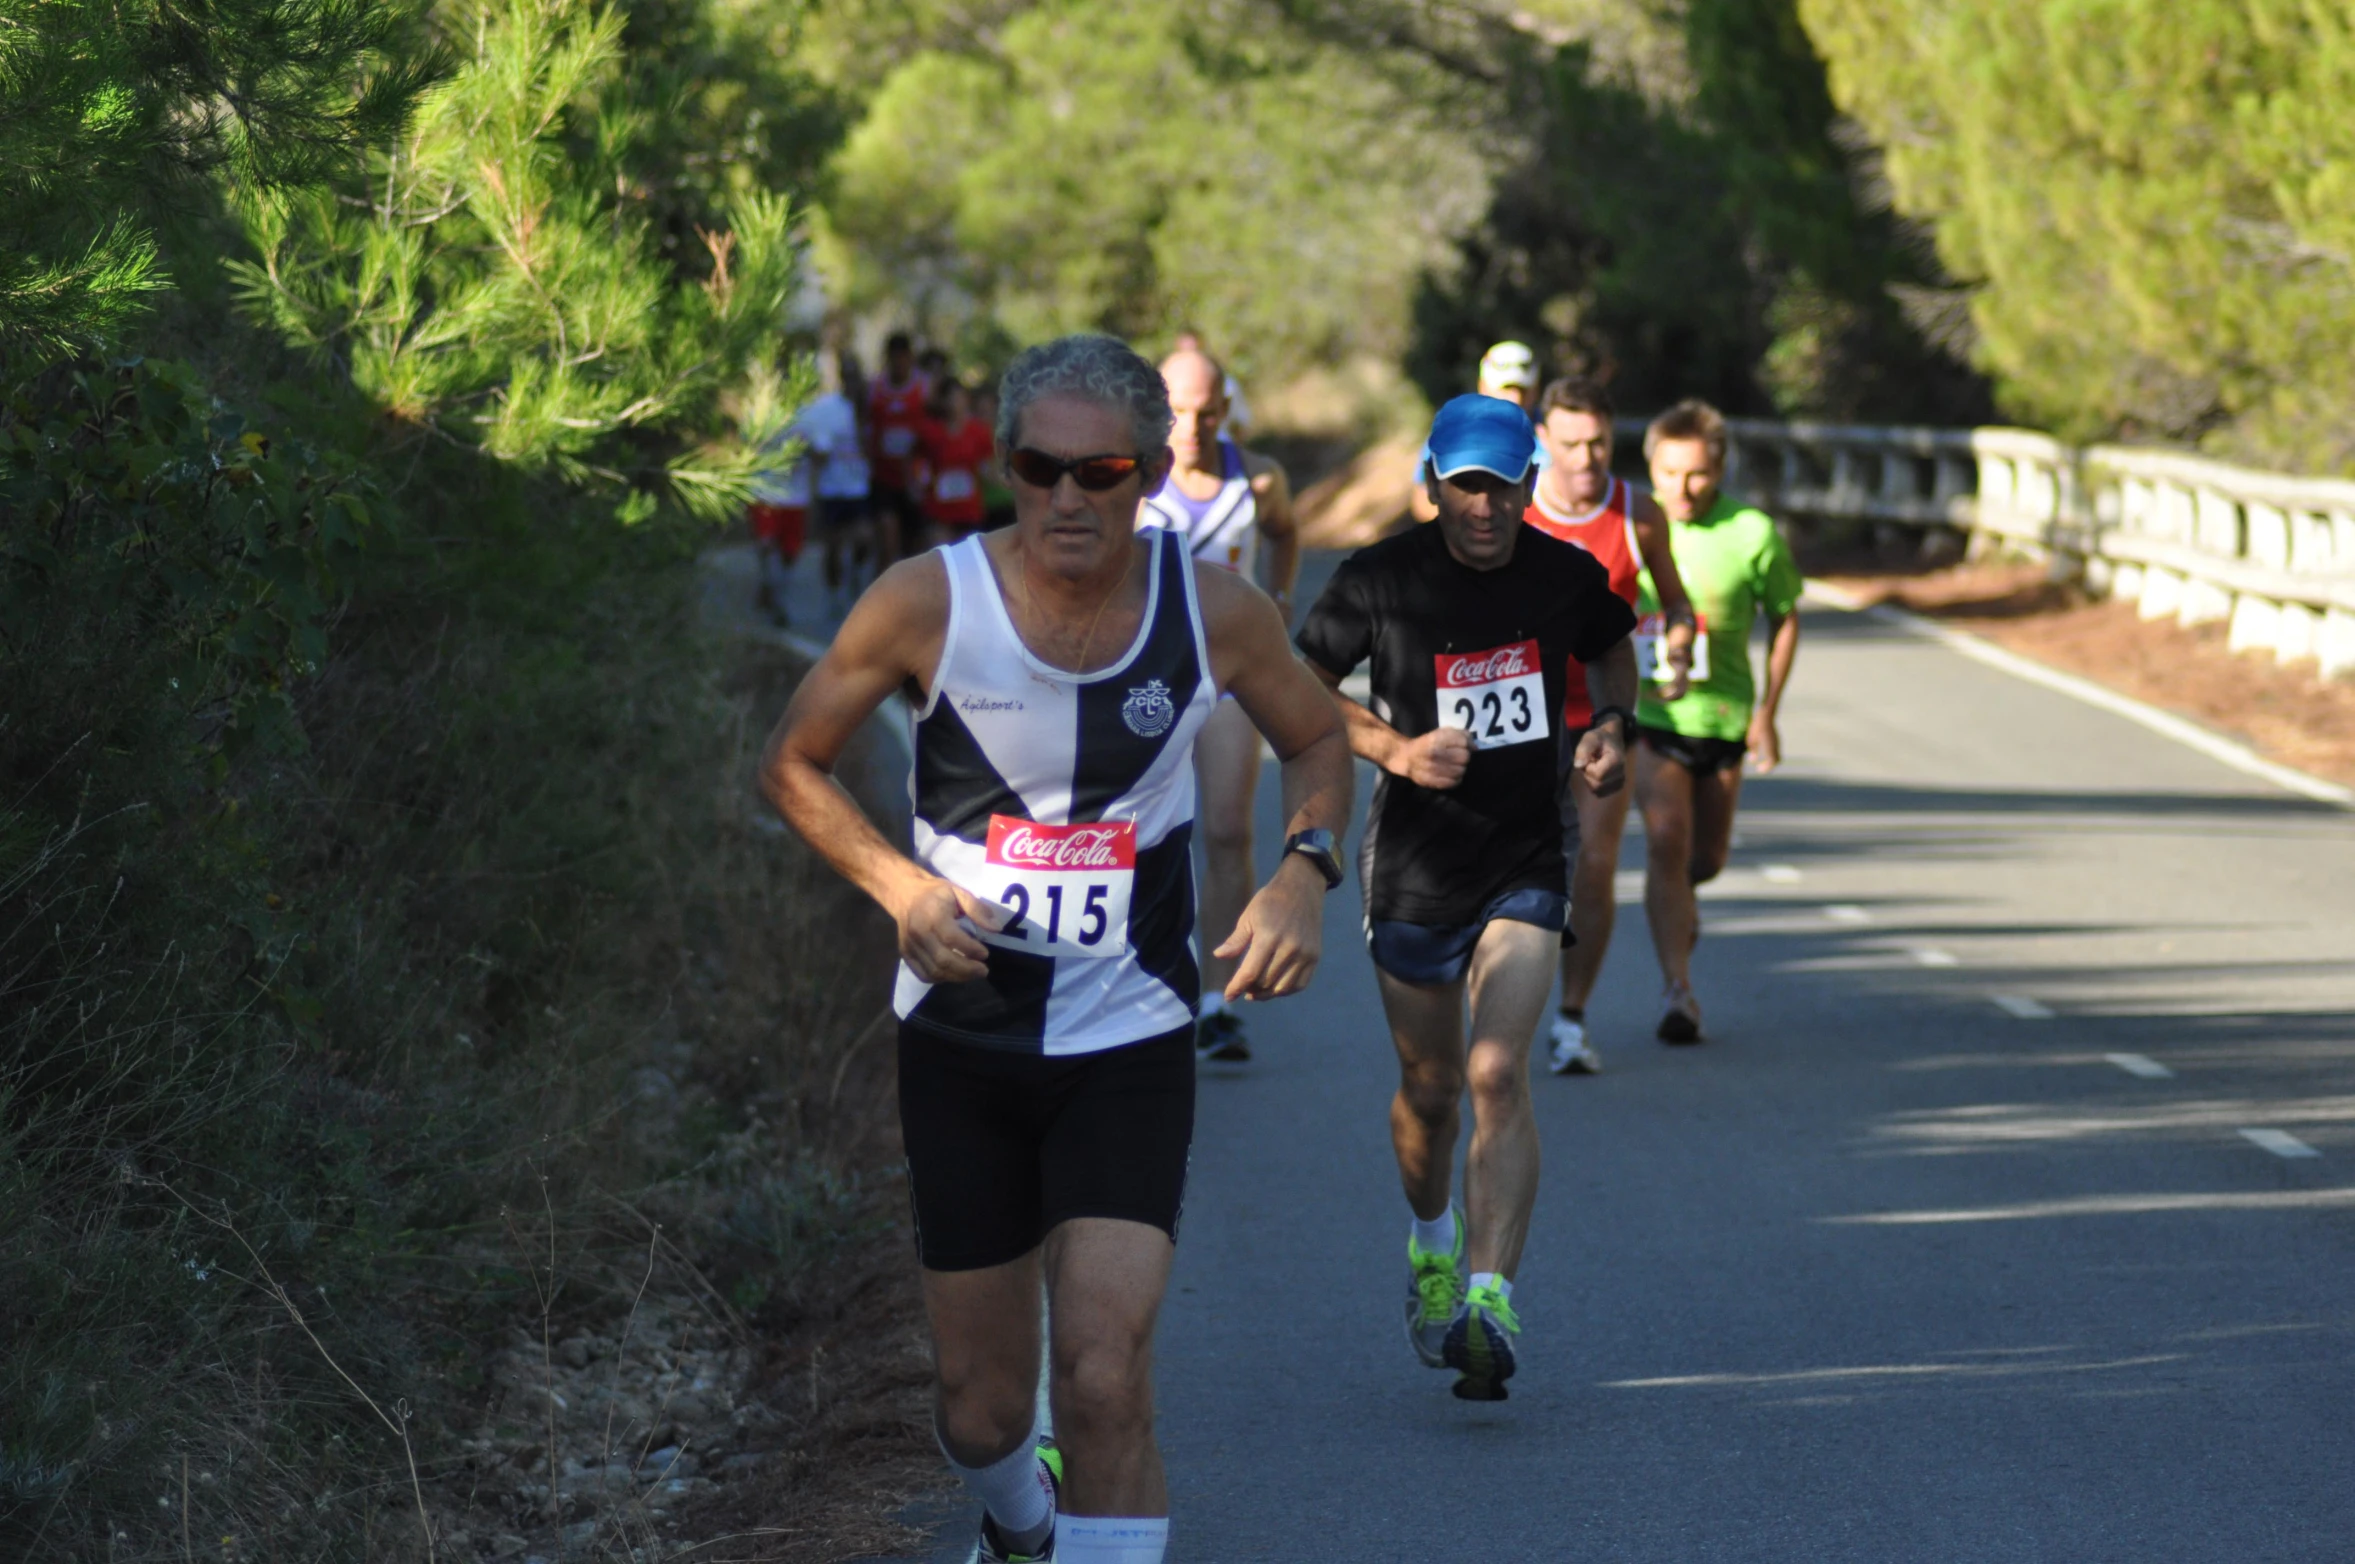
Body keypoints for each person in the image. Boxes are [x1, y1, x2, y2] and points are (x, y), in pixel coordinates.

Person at [759, 334, 1353, 1564]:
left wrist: (1307, 871)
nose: (1068, 499)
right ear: (1005, 467)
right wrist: (898, 887)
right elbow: (792, 761)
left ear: (1147, 474)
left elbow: (1320, 740)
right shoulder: (930, 600)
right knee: (981, 1409)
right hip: (962, 1040)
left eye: (1102, 472)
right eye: (1040, 470)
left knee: (1099, 1372)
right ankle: (1020, 1524)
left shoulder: (1213, 609)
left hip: (1127, 1037)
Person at [1295, 394, 1637, 1401]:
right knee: (1432, 1092)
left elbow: (1614, 646)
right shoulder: (1380, 579)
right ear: (1433, 481)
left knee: (1496, 1069)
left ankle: (1489, 1300)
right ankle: (1433, 1240)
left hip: (1526, 853)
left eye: (1507, 485)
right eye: (1469, 484)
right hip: (1413, 866)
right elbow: (1294, 678)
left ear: (1533, 485)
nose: (1487, 506)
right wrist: (1393, 747)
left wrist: (1612, 725)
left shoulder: (1565, 573)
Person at [1519, 376, 1700, 1074]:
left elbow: (1676, 604)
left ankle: (1570, 1018)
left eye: (1598, 442)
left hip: (1599, 716)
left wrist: (1678, 639)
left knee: (1592, 868)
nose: (1587, 458)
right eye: (1570, 444)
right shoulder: (1513, 510)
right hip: (1518, 718)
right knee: (1512, 868)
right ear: (1543, 441)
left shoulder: (1639, 515)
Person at [1137, 346, 1300, 1064]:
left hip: (1227, 674)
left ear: (1226, 410)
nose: (1192, 426)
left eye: (1205, 412)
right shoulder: (1134, 479)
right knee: (1133, 836)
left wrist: (1283, 597)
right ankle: (1136, 984)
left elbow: (1285, 533)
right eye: (1175, 412)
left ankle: (1215, 1004)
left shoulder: (1258, 477)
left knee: (1229, 830)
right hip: (1146, 675)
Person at [1634, 398, 1802, 1044]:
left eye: (1697, 474)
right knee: (1665, 838)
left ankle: (1683, 902)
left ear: (1720, 468)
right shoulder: (1635, 526)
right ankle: (1677, 989)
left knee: (1704, 858)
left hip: (1725, 716)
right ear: (1650, 468)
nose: (1681, 488)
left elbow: (1785, 615)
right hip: (1653, 713)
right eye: (1668, 473)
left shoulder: (1751, 532)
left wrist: (1767, 713)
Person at [773, 351, 871, 609]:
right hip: (832, 489)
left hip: (860, 489)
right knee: (834, 546)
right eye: (847, 376)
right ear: (841, 379)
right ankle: (834, 594)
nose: (852, 381)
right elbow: (817, 450)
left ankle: (856, 576)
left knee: (864, 538)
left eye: (855, 376)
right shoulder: (827, 409)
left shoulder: (867, 409)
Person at [866, 330, 932, 563]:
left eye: (903, 358)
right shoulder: (875, 388)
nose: (899, 364)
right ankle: (884, 592)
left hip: (915, 479)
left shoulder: (924, 387)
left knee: (915, 546)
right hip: (885, 478)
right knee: (888, 538)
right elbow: (865, 426)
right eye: (894, 358)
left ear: (910, 358)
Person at [917, 377, 996, 541]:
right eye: (950, 398)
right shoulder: (930, 431)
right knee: (940, 559)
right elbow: (914, 458)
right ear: (942, 401)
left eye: (959, 397)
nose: (955, 403)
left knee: (968, 562)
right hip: (938, 510)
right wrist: (918, 482)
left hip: (969, 510)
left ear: (966, 400)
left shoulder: (979, 432)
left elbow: (988, 465)